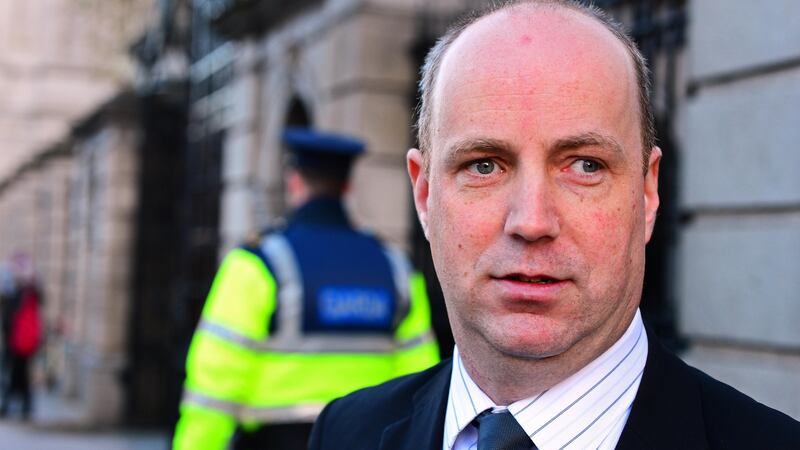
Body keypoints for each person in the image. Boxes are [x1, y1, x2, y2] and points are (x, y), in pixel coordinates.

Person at [308, 1, 800, 449]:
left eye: (585, 165)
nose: (532, 221)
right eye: (484, 165)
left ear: (648, 193)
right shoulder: (346, 432)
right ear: (425, 193)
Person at [173, 127, 440, 449]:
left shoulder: (258, 263)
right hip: (370, 437)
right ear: (347, 187)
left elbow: (214, 385)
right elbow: (421, 378)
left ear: (295, 182)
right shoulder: (395, 265)